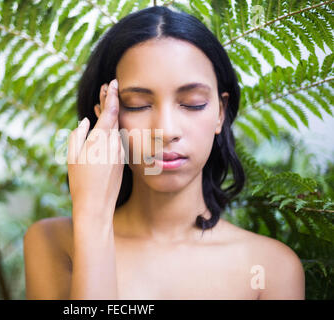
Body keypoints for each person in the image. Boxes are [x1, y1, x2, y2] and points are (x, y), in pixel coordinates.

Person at [23, 6, 305, 300]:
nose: (166, 130)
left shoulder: (271, 269)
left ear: (220, 113)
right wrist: (93, 217)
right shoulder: (53, 243)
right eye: (137, 105)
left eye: (193, 103)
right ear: (106, 116)